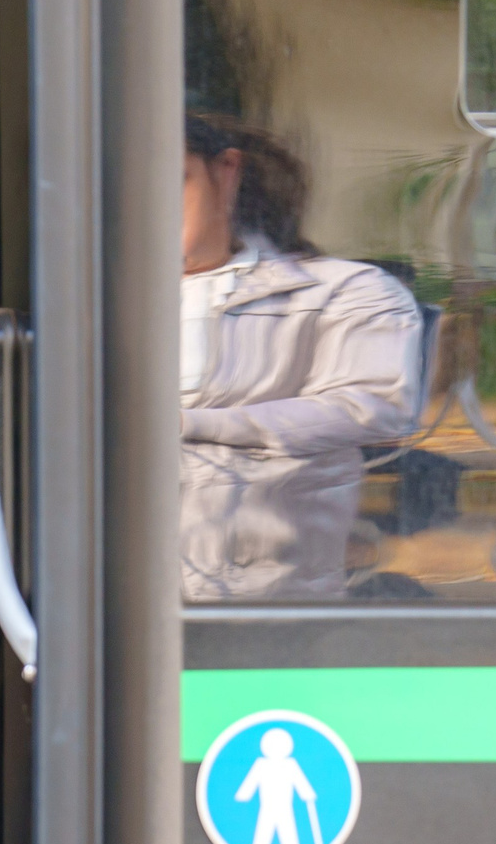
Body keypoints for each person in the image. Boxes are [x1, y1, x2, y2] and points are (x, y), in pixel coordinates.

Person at [180, 112, 425, 598]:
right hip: (107, 602)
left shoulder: (346, 291)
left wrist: (193, 425)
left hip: (266, 605)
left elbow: (373, 406)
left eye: (167, 181)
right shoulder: (97, 303)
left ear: (226, 173)